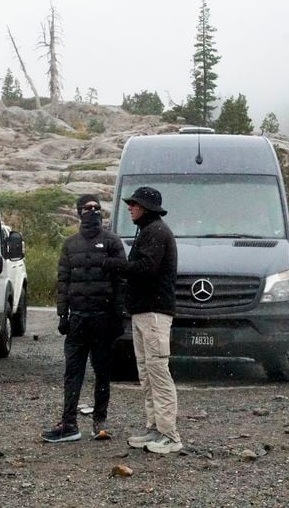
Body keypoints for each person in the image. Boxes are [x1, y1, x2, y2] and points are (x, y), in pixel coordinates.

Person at [41, 194, 127, 443]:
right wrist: (62, 314)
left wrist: (119, 316)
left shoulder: (112, 242)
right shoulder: (70, 244)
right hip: (78, 318)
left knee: (102, 372)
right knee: (73, 372)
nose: (93, 212)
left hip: (103, 318)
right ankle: (69, 424)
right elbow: (63, 281)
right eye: (88, 208)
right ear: (79, 212)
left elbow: (121, 280)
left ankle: (100, 421)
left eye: (97, 208)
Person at [105, 186, 183, 454]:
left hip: (155, 312)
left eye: (134, 204)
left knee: (158, 371)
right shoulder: (148, 231)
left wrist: (116, 266)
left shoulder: (156, 232)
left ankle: (170, 434)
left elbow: (146, 269)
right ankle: (154, 427)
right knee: (147, 371)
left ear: (146, 208)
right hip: (143, 311)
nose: (130, 207)